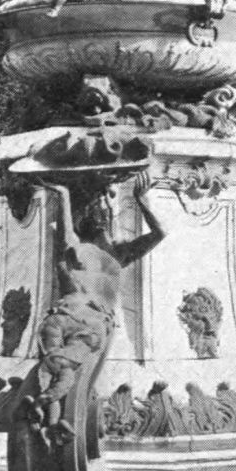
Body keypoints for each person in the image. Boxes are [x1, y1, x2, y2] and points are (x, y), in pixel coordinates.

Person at [29, 173, 168, 439]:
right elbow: (159, 233)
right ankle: (46, 412)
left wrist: (62, 193)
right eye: (99, 210)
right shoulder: (115, 254)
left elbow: (159, 234)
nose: (103, 212)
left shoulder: (79, 249)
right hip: (89, 325)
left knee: (58, 367)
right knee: (62, 368)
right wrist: (140, 200)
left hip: (62, 317)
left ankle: (48, 417)